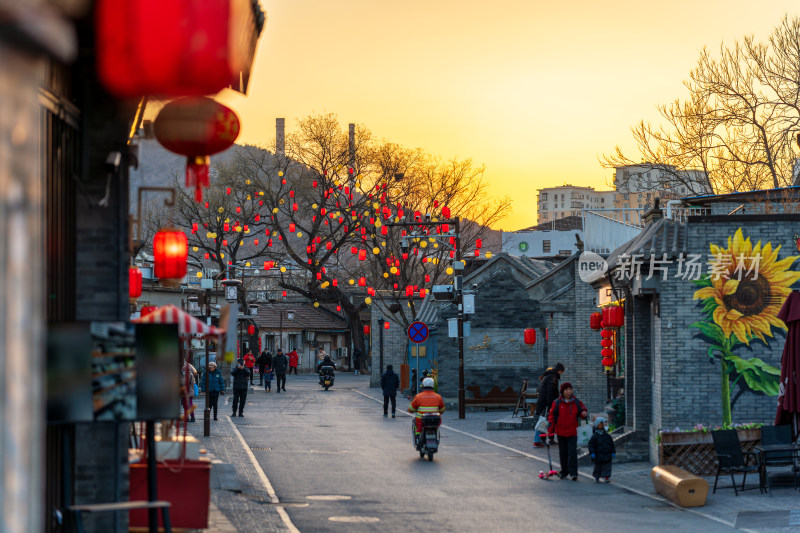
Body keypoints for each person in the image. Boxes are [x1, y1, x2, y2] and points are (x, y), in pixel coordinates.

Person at [547, 382, 587, 481]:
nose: (569, 392)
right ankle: (564, 471)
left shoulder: (576, 402)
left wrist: (583, 413)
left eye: (570, 389)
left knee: (572, 452)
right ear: (562, 391)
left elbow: (582, 410)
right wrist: (550, 431)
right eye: (566, 390)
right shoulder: (557, 403)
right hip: (561, 432)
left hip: (573, 431)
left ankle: (573, 473)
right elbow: (551, 417)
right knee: (563, 453)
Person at [533, 363, 565, 447]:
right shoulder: (552, 377)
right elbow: (550, 393)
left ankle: (545, 439)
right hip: (546, 404)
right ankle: (538, 440)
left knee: (546, 421)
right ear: (559, 370)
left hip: (544, 402)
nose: (562, 374)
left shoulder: (549, 376)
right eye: (562, 372)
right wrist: (551, 405)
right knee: (543, 422)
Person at [408, 377, 445, 445]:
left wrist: (411, 409)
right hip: (435, 420)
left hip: (421, 420)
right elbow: (442, 409)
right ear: (433, 385)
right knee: (436, 427)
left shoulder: (418, 396)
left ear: (423, 385)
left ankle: (418, 437)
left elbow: (411, 409)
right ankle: (435, 434)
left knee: (417, 425)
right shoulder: (438, 397)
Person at [588, 416, 615, 483]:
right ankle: (597, 477)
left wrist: (613, 452)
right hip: (598, 455)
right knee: (597, 467)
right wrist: (592, 453)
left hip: (607, 454)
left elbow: (612, 445)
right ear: (599, 425)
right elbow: (591, 445)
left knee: (607, 466)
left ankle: (606, 477)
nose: (606, 425)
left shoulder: (608, 436)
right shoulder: (595, 436)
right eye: (604, 424)